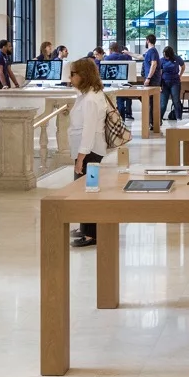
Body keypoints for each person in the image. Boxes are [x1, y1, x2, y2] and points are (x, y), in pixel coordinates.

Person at [65, 57, 113, 247]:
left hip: (89, 152)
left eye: (73, 74)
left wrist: (81, 158)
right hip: (86, 150)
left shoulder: (91, 99)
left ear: (83, 75)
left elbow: (89, 130)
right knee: (83, 191)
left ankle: (92, 233)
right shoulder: (88, 94)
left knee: (87, 192)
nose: (70, 78)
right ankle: (86, 226)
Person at [102, 43, 136, 118]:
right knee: (120, 101)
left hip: (109, 82)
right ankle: (122, 120)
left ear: (110, 50)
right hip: (121, 81)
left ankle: (112, 119)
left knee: (110, 101)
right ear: (118, 49)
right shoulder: (124, 57)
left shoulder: (107, 58)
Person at [158, 45, 186, 121]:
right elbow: (159, 72)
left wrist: (180, 75)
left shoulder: (177, 58)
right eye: (164, 55)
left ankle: (178, 117)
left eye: (167, 55)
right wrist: (159, 84)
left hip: (175, 82)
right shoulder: (162, 60)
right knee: (163, 102)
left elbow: (183, 66)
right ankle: (159, 118)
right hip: (164, 82)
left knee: (176, 101)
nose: (165, 57)